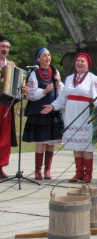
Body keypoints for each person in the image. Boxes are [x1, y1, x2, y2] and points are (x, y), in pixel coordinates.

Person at [41, 53, 97, 183]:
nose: (79, 63)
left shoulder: (93, 78)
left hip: (85, 113)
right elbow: (63, 97)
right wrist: (52, 106)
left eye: (82, 61)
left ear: (88, 65)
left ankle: (88, 174)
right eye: (78, 61)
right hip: (71, 113)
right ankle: (79, 172)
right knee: (75, 144)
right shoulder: (69, 79)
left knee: (85, 144)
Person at [22, 48, 65, 180]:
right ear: (38, 59)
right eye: (44, 56)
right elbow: (30, 94)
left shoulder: (55, 71)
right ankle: (38, 170)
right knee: (41, 141)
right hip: (40, 110)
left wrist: (58, 82)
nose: (48, 58)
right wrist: (44, 91)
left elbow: (62, 91)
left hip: (53, 110)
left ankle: (48, 170)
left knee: (51, 141)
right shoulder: (34, 74)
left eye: (49, 55)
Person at [0, 35, 18, 178]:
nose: (5, 49)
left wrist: (21, 88)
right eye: (3, 47)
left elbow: (16, 86)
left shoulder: (11, 66)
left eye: (7, 47)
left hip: (6, 105)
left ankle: (0, 166)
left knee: (4, 138)